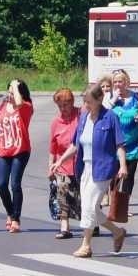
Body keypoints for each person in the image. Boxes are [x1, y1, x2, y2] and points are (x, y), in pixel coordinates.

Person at [50, 85, 127, 258]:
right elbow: (75, 145)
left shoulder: (110, 118)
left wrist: (122, 165)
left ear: (100, 100)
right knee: (90, 207)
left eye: (89, 102)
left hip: (103, 168)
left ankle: (86, 245)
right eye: (84, 101)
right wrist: (60, 160)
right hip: (85, 168)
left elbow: (119, 144)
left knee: (90, 206)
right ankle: (117, 232)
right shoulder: (84, 118)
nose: (86, 105)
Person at [0, 79, 34, 233]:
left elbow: (18, 103)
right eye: (9, 92)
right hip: (3, 150)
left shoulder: (26, 107)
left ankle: (15, 218)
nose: (10, 96)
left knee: (15, 184)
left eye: (13, 93)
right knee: (1, 184)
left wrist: (15, 85)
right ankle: (10, 213)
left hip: (21, 150)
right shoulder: (3, 106)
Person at [109, 70, 138, 197]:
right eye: (115, 82)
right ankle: (113, 206)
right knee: (114, 177)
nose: (118, 84)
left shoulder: (137, 98)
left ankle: (123, 207)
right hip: (114, 145)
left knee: (128, 177)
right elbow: (103, 116)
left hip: (133, 146)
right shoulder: (110, 99)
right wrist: (113, 100)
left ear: (126, 82)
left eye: (120, 81)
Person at [48, 88, 80, 239]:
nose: (63, 109)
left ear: (72, 103)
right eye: (59, 106)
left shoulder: (81, 115)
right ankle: (64, 226)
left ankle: (93, 223)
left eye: (65, 105)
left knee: (84, 196)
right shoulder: (55, 122)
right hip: (62, 165)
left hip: (81, 163)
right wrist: (51, 167)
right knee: (62, 192)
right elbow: (52, 147)